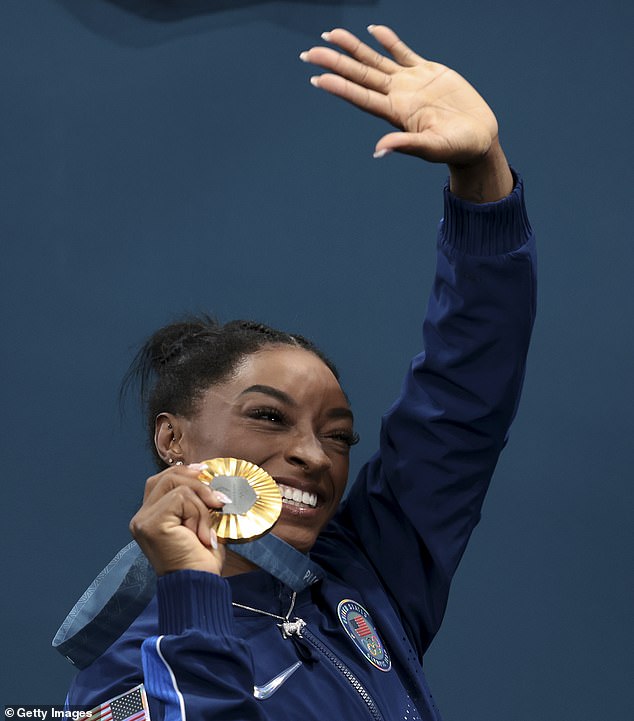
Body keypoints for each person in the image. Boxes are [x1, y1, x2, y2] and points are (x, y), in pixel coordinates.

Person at [57, 25, 536, 720]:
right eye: (269, 416)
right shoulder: (126, 667)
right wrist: (195, 595)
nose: (315, 455)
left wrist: (483, 176)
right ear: (173, 440)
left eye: (339, 435)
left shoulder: (365, 573)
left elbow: (462, 405)